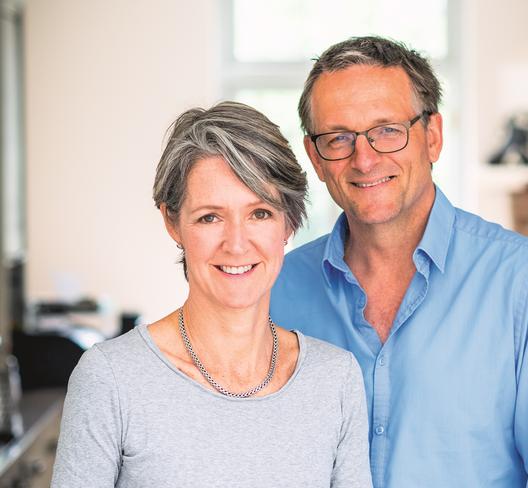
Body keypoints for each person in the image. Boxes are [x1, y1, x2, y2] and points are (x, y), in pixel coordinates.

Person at [271, 36, 528, 487]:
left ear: (432, 137)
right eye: (338, 138)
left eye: (387, 131)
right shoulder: (278, 290)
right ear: (316, 158)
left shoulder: (524, 279)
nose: (364, 158)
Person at [52, 101, 372, 488]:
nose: (237, 245)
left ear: (288, 222)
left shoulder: (335, 380)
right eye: (210, 217)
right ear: (173, 222)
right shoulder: (111, 379)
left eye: (260, 213)